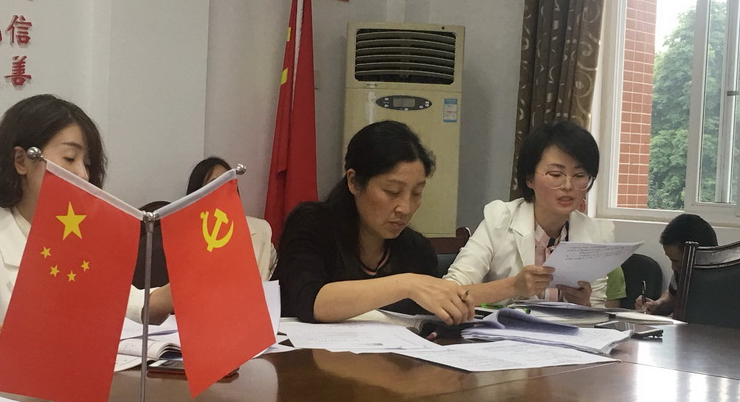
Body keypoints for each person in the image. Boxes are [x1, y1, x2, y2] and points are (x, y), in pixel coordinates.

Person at [0, 94, 172, 348]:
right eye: (70, 158)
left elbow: (139, 308)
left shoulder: (86, 244)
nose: (83, 175)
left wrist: (191, 279)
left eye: (87, 163)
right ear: (21, 161)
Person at [273, 120, 474, 325]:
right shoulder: (311, 224)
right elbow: (310, 302)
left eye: (416, 193)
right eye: (392, 191)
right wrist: (407, 285)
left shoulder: (417, 250)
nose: (405, 208)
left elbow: (426, 319)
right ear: (353, 182)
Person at [445, 120, 614, 307]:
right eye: (555, 174)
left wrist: (584, 304)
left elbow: (597, 313)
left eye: (579, 175)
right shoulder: (499, 219)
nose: (568, 185)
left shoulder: (596, 234)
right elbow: (450, 292)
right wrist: (513, 286)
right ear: (530, 179)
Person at [186, 156, 277, 281]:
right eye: (215, 184)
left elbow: (275, 272)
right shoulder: (186, 239)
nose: (224, 189)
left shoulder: (260, 230)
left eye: (228, 183)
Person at [635, 213, 717, 315]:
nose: (673, 267)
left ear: (698, 255)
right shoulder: (681, 273)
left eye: (676, 261)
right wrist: (657, 305)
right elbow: (673, 296)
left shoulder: (726, 278)